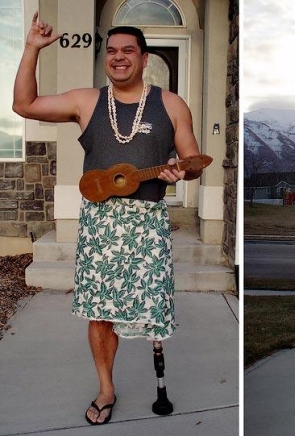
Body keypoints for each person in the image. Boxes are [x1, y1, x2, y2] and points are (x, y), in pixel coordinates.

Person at [12, 13, 202, 425]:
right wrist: (31, 49)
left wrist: (181, 171)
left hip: (148, 224)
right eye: (111, 50)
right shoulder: (87, 101)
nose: (118, 57)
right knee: (99, 313)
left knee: (151, 307)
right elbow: (24, 105)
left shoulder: (171, 104)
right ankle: (105, 389)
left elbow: (192, 160)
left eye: (128, 50)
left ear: (144, 58)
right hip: (100, 223)